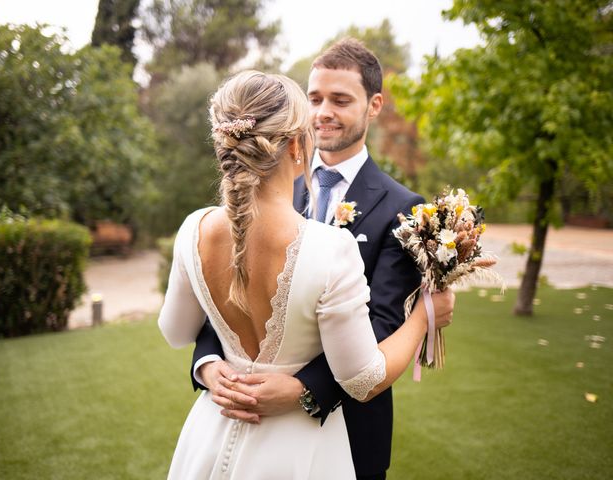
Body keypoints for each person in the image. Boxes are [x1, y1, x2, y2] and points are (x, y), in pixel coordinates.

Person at [158, 69, 453, 479]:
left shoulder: (193, 227)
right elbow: (364, 379)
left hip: (210, 437)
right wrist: (426, 314)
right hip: (298, 452)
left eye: (341, 99)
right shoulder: (331, 247)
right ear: (297, 145)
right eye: (314, 101)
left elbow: (174, 331)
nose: (324, 114)